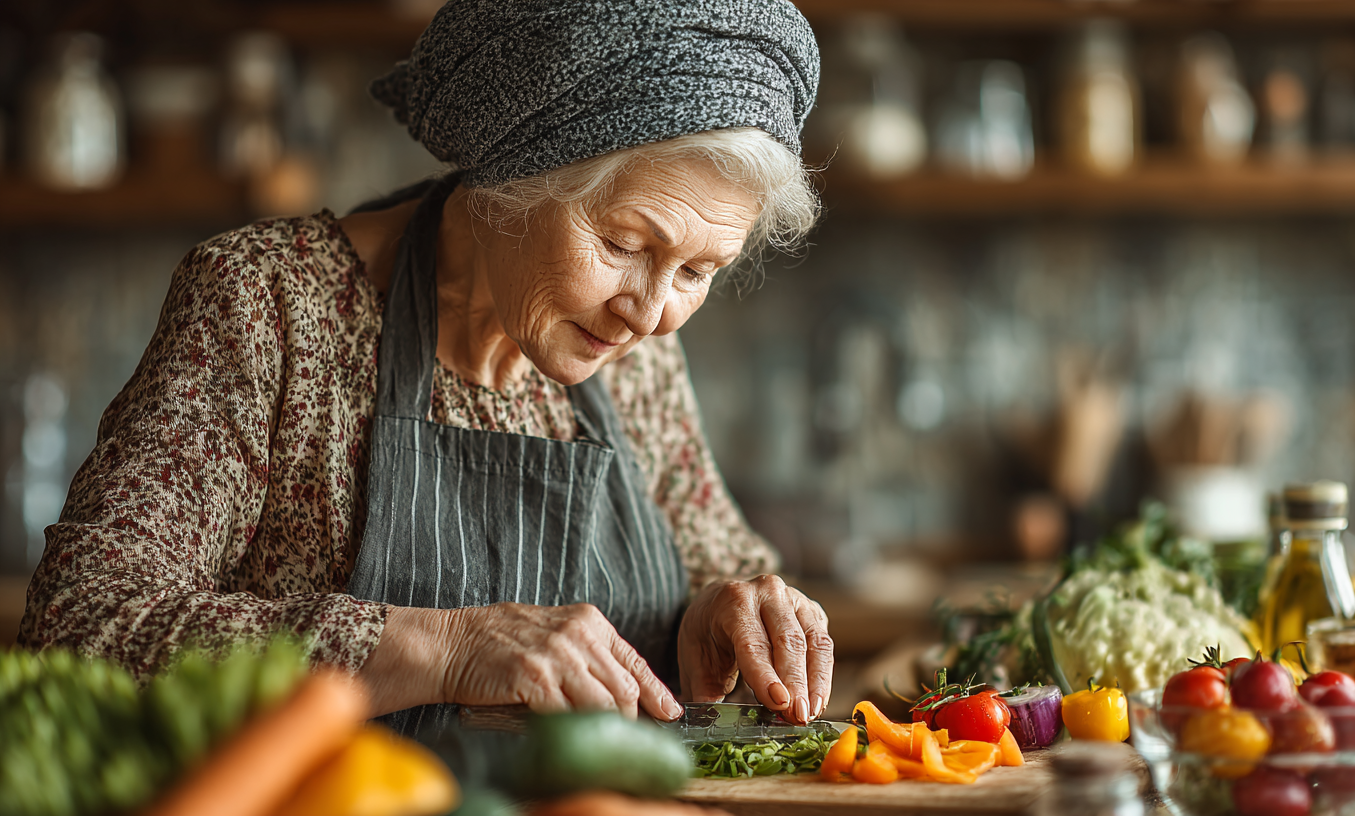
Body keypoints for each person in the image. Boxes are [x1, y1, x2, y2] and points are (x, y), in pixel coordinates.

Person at [20, 0, 832, 740]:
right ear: (510, 183)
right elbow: (83, 624)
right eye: (624, 245)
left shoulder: (635, 357)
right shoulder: (269, 304)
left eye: (698, 272)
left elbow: (718, 562)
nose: (653, 314)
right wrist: (442, 646)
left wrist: (732, 605)